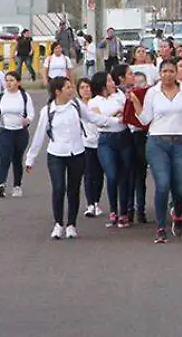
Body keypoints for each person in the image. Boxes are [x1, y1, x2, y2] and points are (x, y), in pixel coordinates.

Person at [127, 60, 182, 244]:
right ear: (159, 73)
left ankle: (178, 216)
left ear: (176, 73)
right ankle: (160, 228)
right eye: (164, 71)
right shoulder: (153, 92)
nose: (167, 74)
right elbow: (144, 119)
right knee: (163, 184)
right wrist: (136, 102)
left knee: (181, 187)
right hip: (157, 142)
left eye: (171, 71)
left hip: (181, 141)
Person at [25, 76, 121, 240]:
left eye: (71, 87)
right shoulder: (48, 111)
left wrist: (115, 122)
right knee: (58, 188)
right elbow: (39, 135)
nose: (71, 90)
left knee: (73, 189)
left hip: (77, 153)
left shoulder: (76, 105)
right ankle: (58, 224)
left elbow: (93, 118)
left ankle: (71, 224)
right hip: (56, 153)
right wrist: (30, 159)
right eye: (68, 87)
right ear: (58, 91)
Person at [90, 70, 131, 227]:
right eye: (108, 81)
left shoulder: (119, 96)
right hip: (106, 140)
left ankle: (124, 212)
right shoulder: (94, 102)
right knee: (112, 174)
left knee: (124, 176)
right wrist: (115, 116)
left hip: (124, 137)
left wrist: (115, 117)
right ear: (102, 85)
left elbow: (125, 114)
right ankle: (113, 209)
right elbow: (100, 121)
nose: (112, 83)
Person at [0, 71, 34, 198]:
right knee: (4, 158)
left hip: (20, 132)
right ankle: (1, 184)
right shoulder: (1, 96)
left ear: (18, 82)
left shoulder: (24, 96)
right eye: (7, 80)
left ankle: (17, 186)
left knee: (17, 159)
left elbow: (31, 113)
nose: (8, 83)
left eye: (11, 80)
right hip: (4, 131)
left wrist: (27, 120)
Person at [76, 77, 105, 219]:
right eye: (82, 87)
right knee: (88, 174)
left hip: (100, 142)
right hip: (85, 143)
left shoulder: (97, 103)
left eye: (87, 87)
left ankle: (97, 201)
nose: (85, 90)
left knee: (99, 174)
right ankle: (90, 204)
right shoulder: (76, 105)